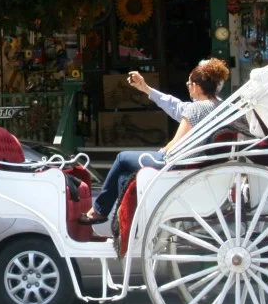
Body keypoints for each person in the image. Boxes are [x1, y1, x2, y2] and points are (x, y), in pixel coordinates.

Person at [80, 57, 241, 224]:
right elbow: (175, 106)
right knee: (124, 177)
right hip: (203, 165)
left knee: (122, 158)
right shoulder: (225, 109)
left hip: (179, 164)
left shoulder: (196, 108)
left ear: (197, 86)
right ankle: (123, 225)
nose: (188, 88)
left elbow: (174, 146)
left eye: (189, 84)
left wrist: (161, 151)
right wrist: (146, 88)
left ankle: (98, 211)